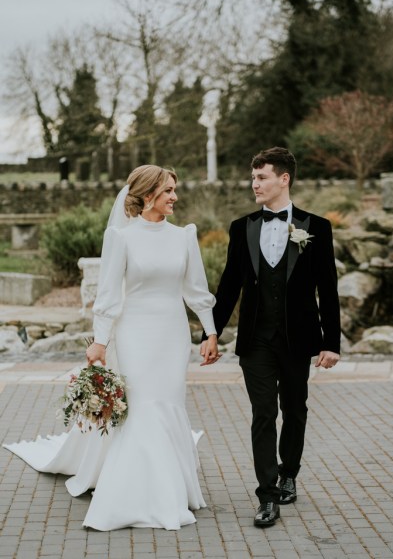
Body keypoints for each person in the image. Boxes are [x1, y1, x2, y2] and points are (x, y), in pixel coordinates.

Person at [4, 165, 220, 531]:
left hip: (171, 334)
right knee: (143, 406)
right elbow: (106, 298)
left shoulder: (183, 236)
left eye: (174, 190)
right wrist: (100, 342)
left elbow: (195, 290)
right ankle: (137, 494)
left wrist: (211, 332)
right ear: (148, 194)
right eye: (168, 190)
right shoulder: (122, 237)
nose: (175, 197)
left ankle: (172, 487)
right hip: (134, 332)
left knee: (168, 402)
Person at [201, 147, 341, 528]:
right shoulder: (241, 227)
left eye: (261, 178)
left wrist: (332, 342)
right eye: (252, 178)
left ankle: (288, 472)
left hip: (299, 339)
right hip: (255, 340)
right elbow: (228, 286)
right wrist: (210, 332)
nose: (254, 185)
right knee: (264, 413)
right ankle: (267, 495)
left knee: (295, 410)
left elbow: (327, 290)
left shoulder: (317, 227)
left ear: (284, 179)